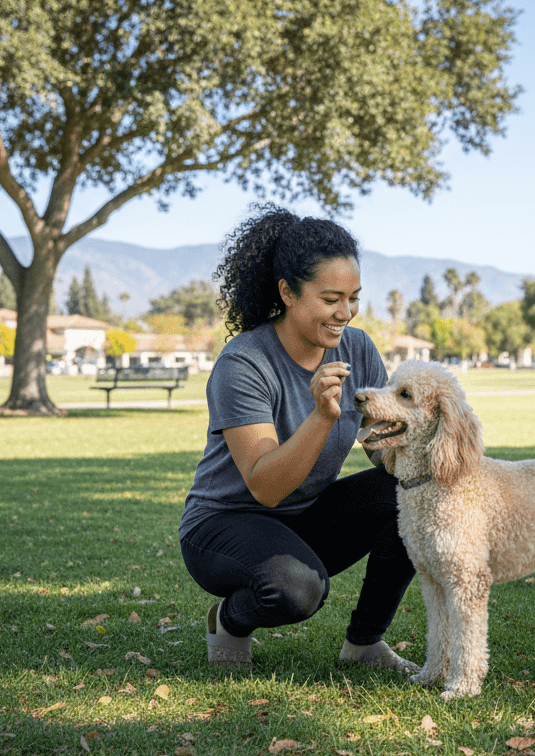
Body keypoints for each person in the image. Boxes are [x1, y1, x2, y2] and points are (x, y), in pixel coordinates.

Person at [179, 204, 418, 673]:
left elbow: (380, 451)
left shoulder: (358, 348)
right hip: (225, 523)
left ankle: (364, 644)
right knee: (297, 589)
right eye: (331, 298)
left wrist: (425, 446)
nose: (345, 312)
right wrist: (322, 417)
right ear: (287, 292)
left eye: (353, 298)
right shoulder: (244, 363)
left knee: (413, 495)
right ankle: (228, 620)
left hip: (304, 516)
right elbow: (265, 486)